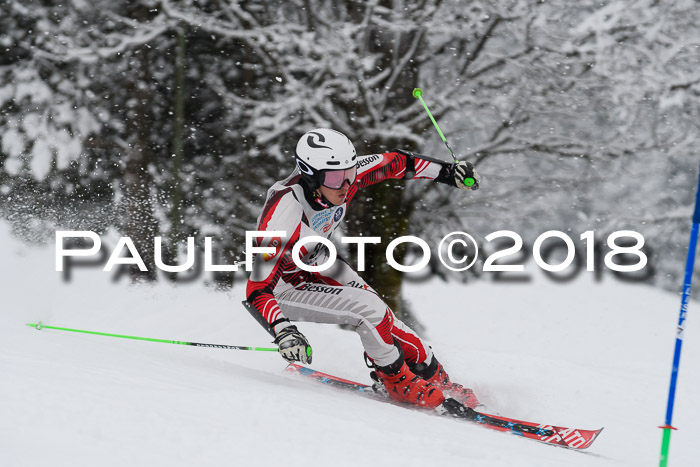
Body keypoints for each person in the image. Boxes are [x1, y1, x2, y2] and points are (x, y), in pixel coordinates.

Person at [245, 128, 480, 410]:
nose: (345, 184)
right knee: (367, 308)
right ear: (310, 175)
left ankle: (434, 376)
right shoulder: (283, 211)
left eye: (350, 172)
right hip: (281, 288)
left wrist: (448, 173)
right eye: (335, 178)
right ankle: (397, 381)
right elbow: (257, 290)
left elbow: (397, 162)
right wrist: (283, 330)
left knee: (384, 317)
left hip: (317, 264)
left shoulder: (340, 177)